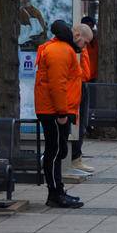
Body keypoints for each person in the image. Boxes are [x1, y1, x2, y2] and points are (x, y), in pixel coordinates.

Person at [35, 21, 84, 208]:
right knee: (54, 152)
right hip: (55, 111)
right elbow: (58, 84)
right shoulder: (60, 51)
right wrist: (62, 112)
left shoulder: (56, 49)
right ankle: (55, 194)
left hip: (51, 109)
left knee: (56, 151)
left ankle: (57, 191)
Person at [69, 23, 96, 177]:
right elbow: (85, 73)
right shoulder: (75, 50)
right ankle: (75, 157)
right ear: (78, 35)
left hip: (79, 86)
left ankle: (76, 156)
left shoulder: (78, 48)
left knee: (82, 123)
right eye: (85, 42)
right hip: (77, 86)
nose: (86, 46)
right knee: (79, 123)